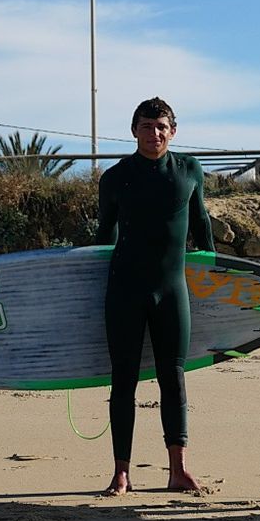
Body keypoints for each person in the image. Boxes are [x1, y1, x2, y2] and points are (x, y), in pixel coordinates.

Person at [95, 97, 214, 496]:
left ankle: (177, 470)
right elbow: (104, 238)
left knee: (173, 377)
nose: (154, 133)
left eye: (161, 126)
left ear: (173, 131)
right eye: (146, 126)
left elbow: (201, 223)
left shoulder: (188, 170)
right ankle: (121, 472)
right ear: (134, 131)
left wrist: (215, 271)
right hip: (125, 289)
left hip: (172, 289)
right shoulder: (115, 177)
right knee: (123, 379)